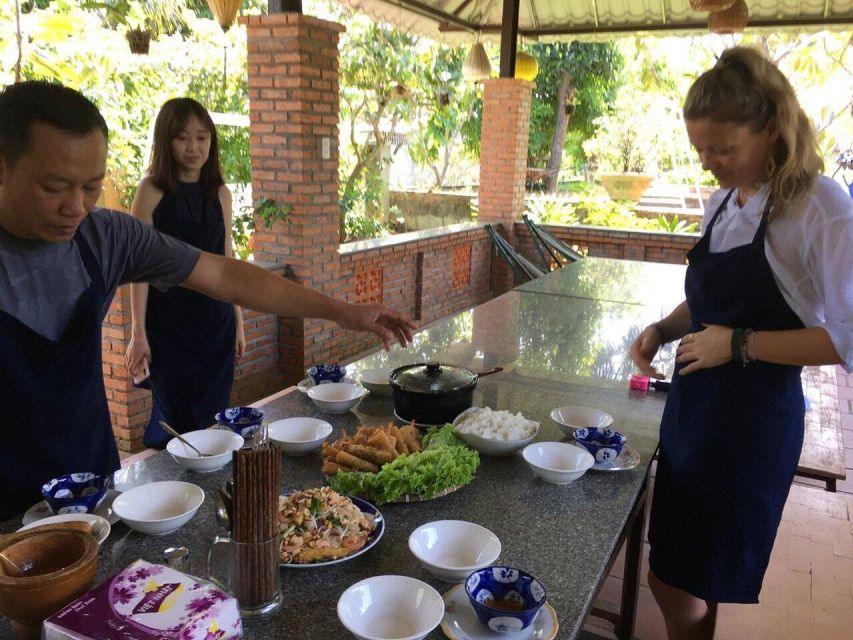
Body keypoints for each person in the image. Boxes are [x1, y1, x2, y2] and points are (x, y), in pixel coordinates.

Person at [0, 81, 415, 521]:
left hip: (91, 487)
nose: (77, 207)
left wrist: (342, 311)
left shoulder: (105, 238)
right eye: (55, 187)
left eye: (91, 187)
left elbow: (222, 272)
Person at [629, 47, 853, 640]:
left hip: (749, 428)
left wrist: (742, 345)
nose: (710, 163)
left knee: (676, 580)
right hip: (693, 415)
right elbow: (709, 305)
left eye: (723, 150)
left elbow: (845, 338)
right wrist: (663, 329)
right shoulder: (724, 204)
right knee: (687, 575)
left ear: (771, 130)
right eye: (701, 149)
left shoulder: (819, 206)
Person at [125, 98, 245, 449]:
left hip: (215, 323)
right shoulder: (151, 191)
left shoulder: (220, 194)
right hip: (169, 327)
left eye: (202, 137)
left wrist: (237, 320)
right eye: (182, 138)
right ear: (166, 141)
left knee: (213, 422)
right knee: (172, 421)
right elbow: (139, 264)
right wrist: (138, 332)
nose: (193, 147)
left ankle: (208, 497)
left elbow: (228, 260)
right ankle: (173, 497)